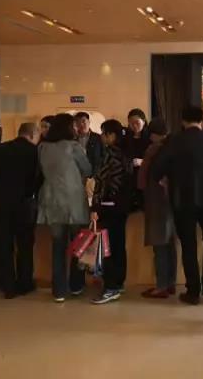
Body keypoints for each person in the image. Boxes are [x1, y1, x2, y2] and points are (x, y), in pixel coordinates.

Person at [153, 106, 203, 305]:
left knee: (188, 245)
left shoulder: (174, 141)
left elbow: (157, 168)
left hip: (182, 200)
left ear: (182, 121)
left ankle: (193, 291)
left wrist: (164, 180)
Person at [37, 113, 91, 302]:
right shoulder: (74, 147)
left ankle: (59, 290)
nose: (76, 128)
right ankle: (76, 285)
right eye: (73, 125)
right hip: (73, 201)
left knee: (58, 247)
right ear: (68, 127)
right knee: (77, 246)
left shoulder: (42, 147)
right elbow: (88, 169)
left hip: (51, 201)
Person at [0, 123, 41, 299]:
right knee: (25, 246)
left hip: (0, 204)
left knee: (4, 246)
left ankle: (8, 286)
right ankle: (25, 284)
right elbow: (38, 180)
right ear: (33, 134)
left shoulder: (0, 149)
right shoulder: (34, 152)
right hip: (24, 205)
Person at [90, 119, 133, 305]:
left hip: (108, 206)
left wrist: (95, 207)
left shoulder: (110, 155)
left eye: (104, 133)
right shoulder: (125, 154)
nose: (101, 136)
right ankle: (118, 282)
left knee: (108, 249)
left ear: (112, 136)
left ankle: (111, 287)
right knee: (118, 245)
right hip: (122, 207)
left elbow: (103, 184)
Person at [137, 118, 177, 299]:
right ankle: (170, 283)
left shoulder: (154, 150)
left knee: (160, 244)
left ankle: (161, 286)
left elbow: (143, 179)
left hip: (156, 201)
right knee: (169, 244)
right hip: (170, 201)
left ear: (153, 134)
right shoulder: (174, 147)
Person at [123, 108, 150, 210]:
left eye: (137, 122)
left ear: (143, 121)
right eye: (131, 123)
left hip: (145, 176)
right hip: (130, 177)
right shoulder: (126, 139)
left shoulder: (149, 138)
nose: (134, 125)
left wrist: (142, 162)